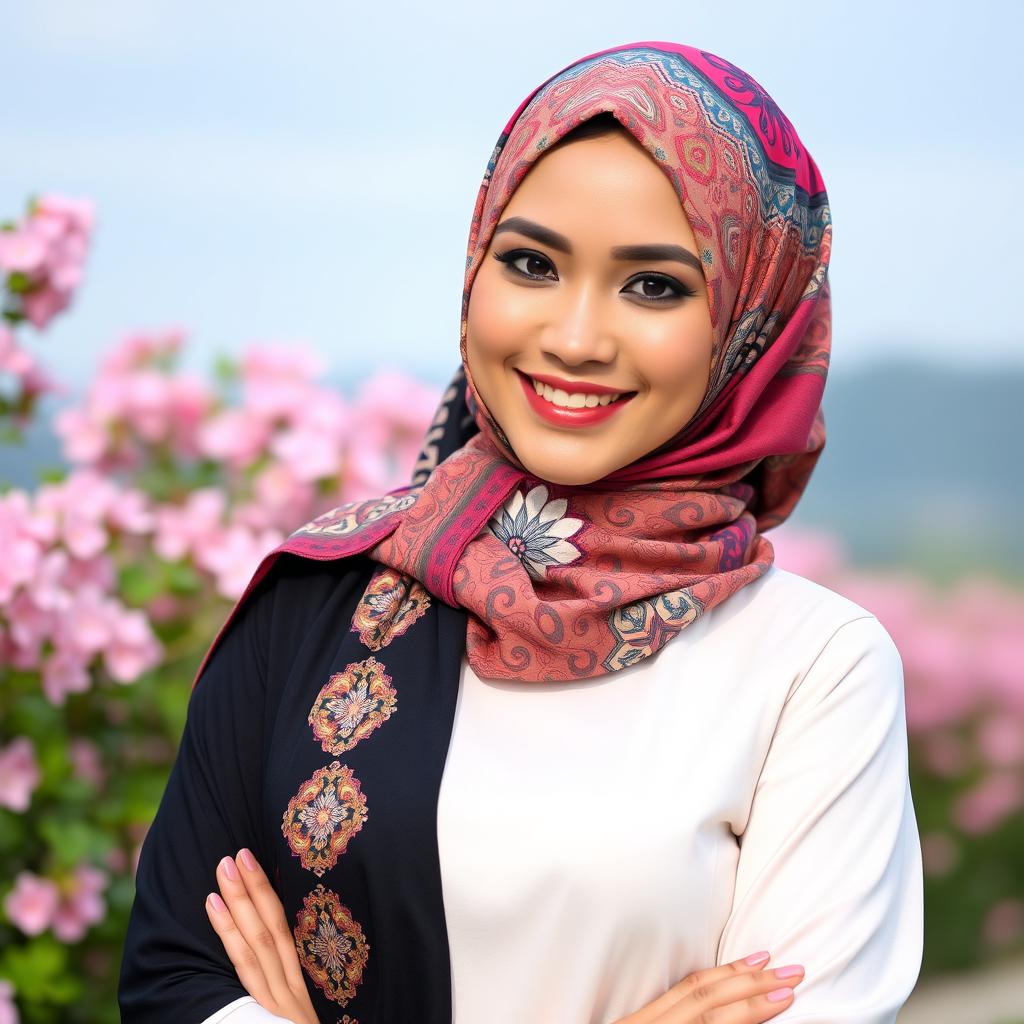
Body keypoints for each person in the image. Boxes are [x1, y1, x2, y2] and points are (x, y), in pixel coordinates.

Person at [118, 40, 924, 1024]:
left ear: (751, 325)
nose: (574, 336)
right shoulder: (315, 599)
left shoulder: (814, 670)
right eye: (532, 263)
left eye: (654, 286)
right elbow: (177, 984)